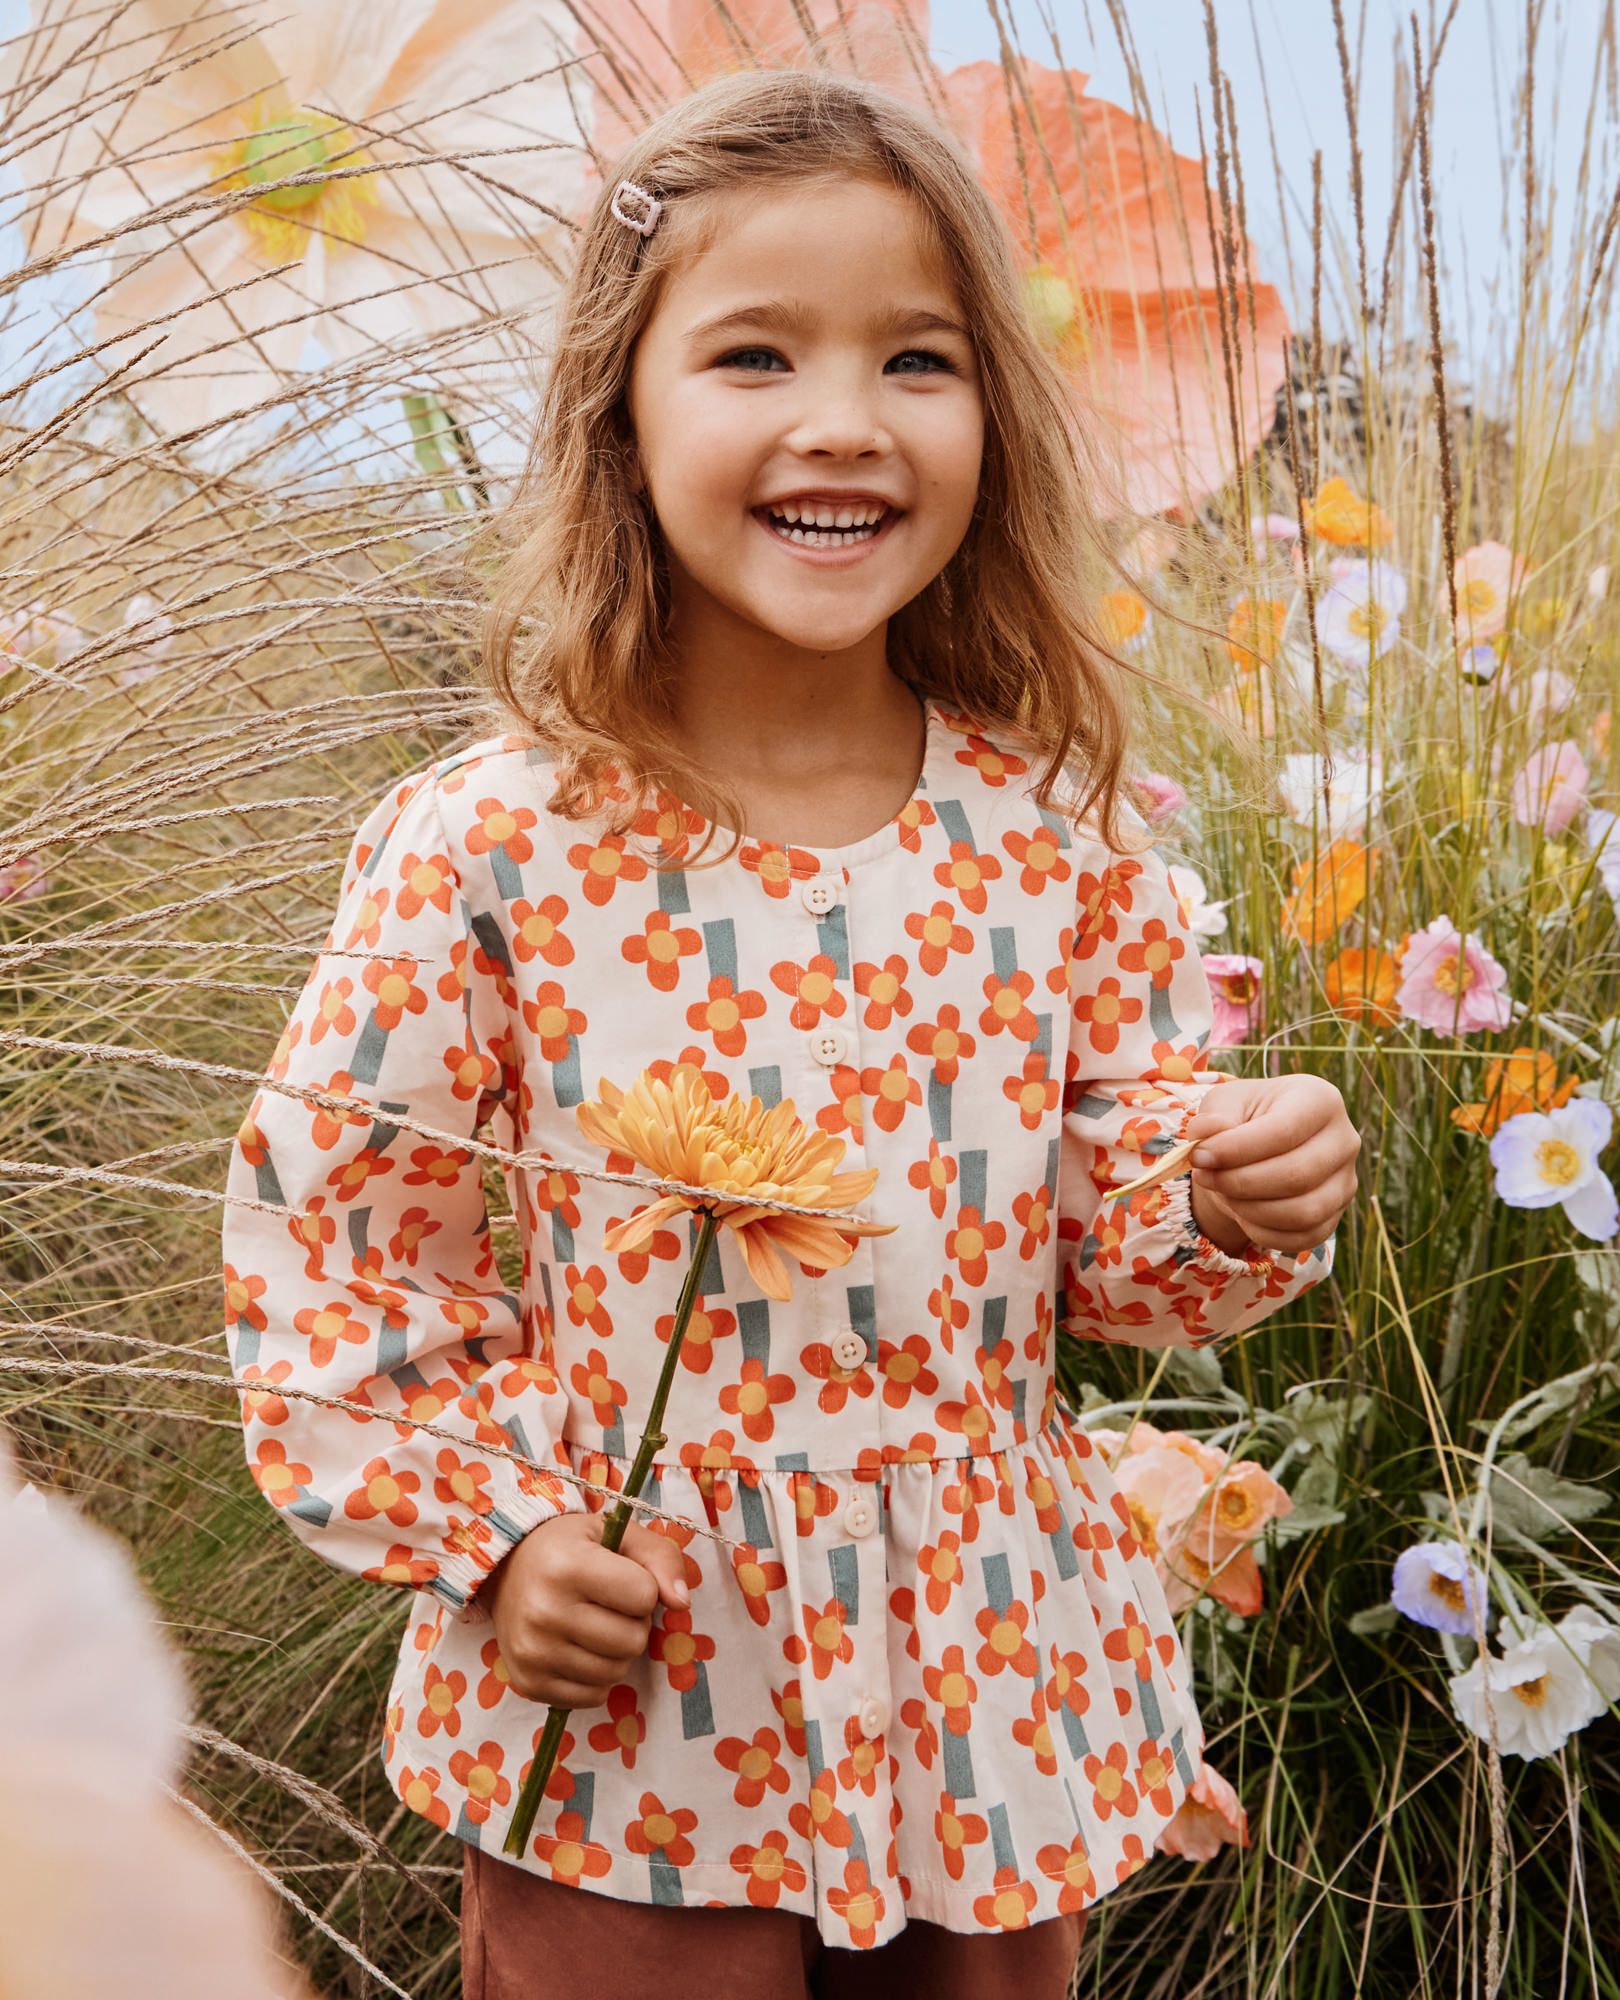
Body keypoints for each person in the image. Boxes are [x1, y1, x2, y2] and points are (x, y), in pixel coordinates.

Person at [222, 64, 1360, 2000]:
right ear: (621, 406)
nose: (844, 423)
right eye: (753, 355)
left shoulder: (1063, 847)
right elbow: (340, 1249)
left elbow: (1112, 1253)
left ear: (993, 413)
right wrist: (501, 1535)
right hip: (643, 1697)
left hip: (984, 1680)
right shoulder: (495, 847)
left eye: (918, 362)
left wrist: (1234, 1190)